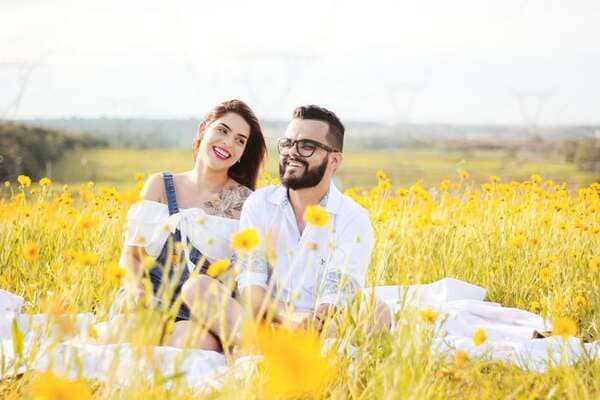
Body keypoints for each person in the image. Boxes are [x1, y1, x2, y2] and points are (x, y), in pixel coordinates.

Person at [182, 105, 391, 339]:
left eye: (307, 146)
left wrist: (308, 324)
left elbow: (338, 293)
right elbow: (251, 282)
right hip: (265, 321)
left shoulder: (352, 217)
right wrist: (286, 318)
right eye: (288, 144)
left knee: (377, 311)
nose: (292, 152)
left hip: (320, 329)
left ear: (334, 160)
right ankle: (260, 349)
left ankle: (301, 356)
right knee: (197, 287)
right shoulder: (259, 204)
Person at [116, 99, 266, 351]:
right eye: (223, 130)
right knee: (130, 331)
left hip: (199, 311)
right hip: (147, 298)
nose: (228, 143)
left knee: (197, 343)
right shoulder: (160, 186)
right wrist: (135, 290)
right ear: (203, 129)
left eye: (240, 140)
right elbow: (132, 255)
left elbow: (245, 276)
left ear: (243, 153)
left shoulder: (246, 203)